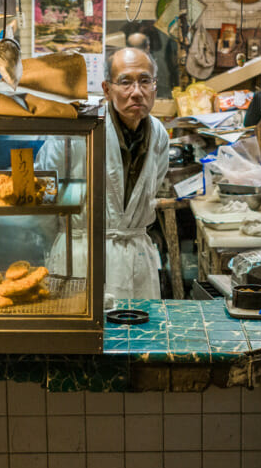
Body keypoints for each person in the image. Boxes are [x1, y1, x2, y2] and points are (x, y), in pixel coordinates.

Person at [36, 47, 169, 300]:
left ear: (155, 86)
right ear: (107, 89)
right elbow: (44, 199)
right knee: (82, 338)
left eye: (144, 81)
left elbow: (152, 188)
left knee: (139, 336)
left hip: (136, 256)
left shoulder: (159, 134)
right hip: (80, 256)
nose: (137, 92)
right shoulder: (75, 130)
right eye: (125, 82)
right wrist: (69, 238)